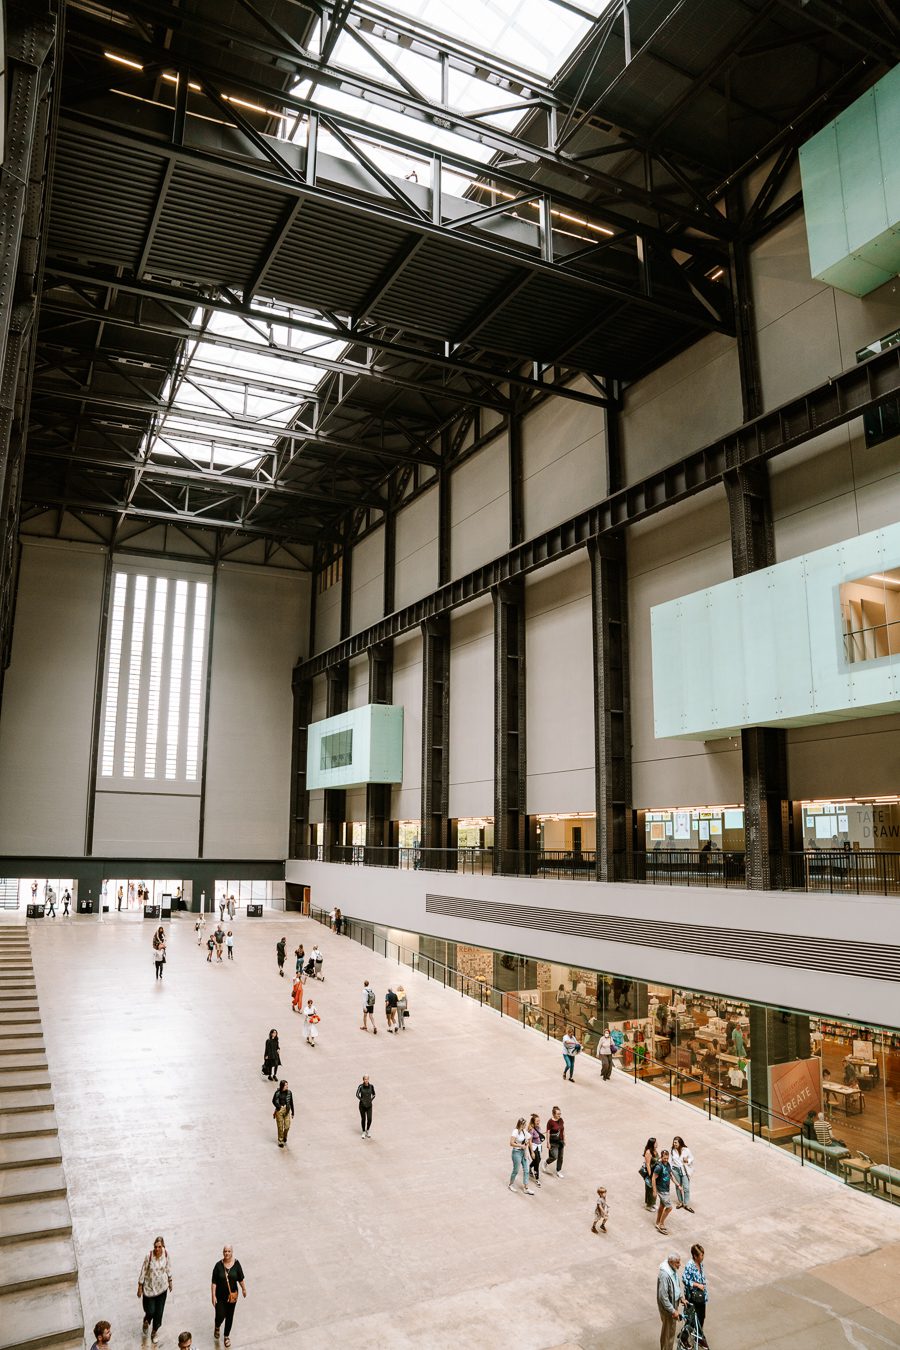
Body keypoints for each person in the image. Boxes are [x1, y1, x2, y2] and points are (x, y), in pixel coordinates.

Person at [137, 1235, 172, 1344]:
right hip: (149, 1289)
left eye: (159, 1247)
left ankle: (154, 1331)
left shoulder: (166, 1254)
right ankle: (146, 1320)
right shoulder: (149, 1256)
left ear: (163, 1246)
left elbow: (168, 1267)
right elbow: (143, 1271)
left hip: (162, 1289)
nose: (157, 1249)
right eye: (155, 1246)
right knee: (150, 1311)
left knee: (159, 1312)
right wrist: (140, 1286)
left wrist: (170, 1281)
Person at [211, 1245, 246, 1347]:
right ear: (223, 1252)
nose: (227, 1253)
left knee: (230, 1316)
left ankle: (226, 1336)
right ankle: (217, 1326)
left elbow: (240, 1278)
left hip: (232, 1296)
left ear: (232, 1252)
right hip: (220, 1296)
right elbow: (214, 1282)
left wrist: (244, 1289)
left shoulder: (237, 1264)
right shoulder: (218, 1266)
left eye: (229, 1251)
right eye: (225, 1251)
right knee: (220, 1315)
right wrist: (213, 1295)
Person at [683, 1243, 709, 1349]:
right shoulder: (690, 1265)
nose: (702, 1257)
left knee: (701, 1317)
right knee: (691, 1320)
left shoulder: (700, 1264)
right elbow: (685, 1280)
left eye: (702, 1255)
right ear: (695, 1256)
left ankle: (698, 1337)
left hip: (701, 1296)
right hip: (692, 1297)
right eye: (700, 1255)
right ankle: (684, 1338)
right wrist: (697, 1284)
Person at [657, 1252, 683, 1350]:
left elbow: (676, 1285)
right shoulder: (665, 1275)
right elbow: (663, 1297)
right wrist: (672, 1310)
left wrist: (680, 1297)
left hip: (673, 1305)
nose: (679, 1264)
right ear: (671, 1262)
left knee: (671, 1331)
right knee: (667, 1334)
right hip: (668, 1308)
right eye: (677, 1262)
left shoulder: (673, 1269)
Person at [508, 1118, 534, 1194]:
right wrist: (520, 1145)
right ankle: (510, 1184)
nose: (525, 1126)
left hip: (523, 1152)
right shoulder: (515, 1131)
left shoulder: (524, 1131)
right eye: (524, 1124)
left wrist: (526, 1142)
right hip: (516, 1152)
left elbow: (529, 1138)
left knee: (526, 1170)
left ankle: (526, 1188)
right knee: (516, 1170)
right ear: (521, 1124)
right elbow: (511, 1143)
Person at [652, 1147, 674, 1235]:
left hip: (666, 1189)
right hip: (661, 1190)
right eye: (664, 1158)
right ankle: (661, 1224)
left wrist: (678, 1185)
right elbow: (653, 1178)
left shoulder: (667, 1164)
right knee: (669, 1208)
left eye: (667, 1158)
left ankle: (657, 1222)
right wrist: (654, 1190)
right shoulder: (659, 1166)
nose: (666, 1160)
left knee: (662, 1206)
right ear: (661, 1157)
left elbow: (670, 1175)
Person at [670, 1136, 695, 1213]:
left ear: (680, 1143)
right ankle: (680, 1202)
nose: (674, 1144)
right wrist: (670, 1169)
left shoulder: (686, 1150)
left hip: (684, 1170)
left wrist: (688, 1160)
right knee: (678, 1186)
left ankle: (686, 1204)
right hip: (675, 1170)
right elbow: (670, 1161)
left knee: (686, 1188)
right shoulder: (672, 1150)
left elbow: (692, 1158)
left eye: (676, 1142)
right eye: (674, 1142)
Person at [272, 1079, 294, 1148]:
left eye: (287, 1085)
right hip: (279, 1111)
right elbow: (273, 1101)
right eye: (285, 1085)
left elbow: (291, 1102)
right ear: (282, 1086)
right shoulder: (277, 1093)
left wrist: (293, 1112)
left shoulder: (289, 1093)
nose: (287, 1086)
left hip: (287, 1110)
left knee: (287, 1126)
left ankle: (285, 1136)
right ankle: (280, 1141)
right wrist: (279, 1106)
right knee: (280, 1127)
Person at [545, 1105, 565, 1178]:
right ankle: (546, 1162)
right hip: (553, 1142)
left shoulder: (561, 1120)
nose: (559, 1115)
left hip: (561, 1141)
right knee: (554, 1156)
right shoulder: (550, 1122)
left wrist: (564, 1138)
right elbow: (548, 1132)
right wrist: (548, 1143)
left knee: (561, 1157)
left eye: (560, 1113)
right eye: (558, 1114)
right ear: (553, 1114)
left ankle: (558, 1171)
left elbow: (563, 1129)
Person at [642, 1137, 659, 1210]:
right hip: (651, 1172)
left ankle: (653, 1203)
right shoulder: (648, 1152)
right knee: (650, 1188)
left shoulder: (654, 1150)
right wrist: (650, 1175)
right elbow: (648, 1164)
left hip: (656, 1172)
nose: (657, 1144)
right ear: (652, 1144)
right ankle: (649, 1205)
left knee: (655, 1188)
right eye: (655, 1143)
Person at [528, 1112, 544, 1187]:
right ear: (533, 1121)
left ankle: (530, 1167)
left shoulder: (538, 1127)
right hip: (533, 1147)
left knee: (539, 1159)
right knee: (537, 1162)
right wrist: (532, 1152)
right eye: (537, 1121)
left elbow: (538, 1135)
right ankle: (537, 1179)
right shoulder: (531, 1130)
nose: (538, 1122)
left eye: (539, 1121)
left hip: (538, 1146)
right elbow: (530, 1141)